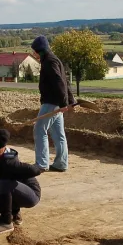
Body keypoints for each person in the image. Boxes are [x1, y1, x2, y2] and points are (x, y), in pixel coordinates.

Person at [0, 129, 42, 235]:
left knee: (4, 182)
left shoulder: (8, 162)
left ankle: (6, 223)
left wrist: (35, 169)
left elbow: (34, 170)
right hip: (13, 189)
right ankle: (15, 213)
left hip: (31, 194)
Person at [30, 35, 76, 172]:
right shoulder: (54, 60)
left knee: (39, 130)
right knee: (58, 134)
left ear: (39, 51)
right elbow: (64, 81)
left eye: (34, 51)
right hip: (57, 102)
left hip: (51, 102)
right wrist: (70, 101)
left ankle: (41, 164)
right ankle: (61, 164)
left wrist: (63, 103)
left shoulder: (49, 62)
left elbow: (59, 83)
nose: (33, 54)